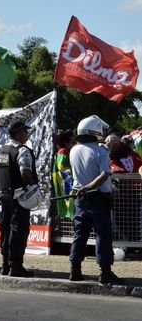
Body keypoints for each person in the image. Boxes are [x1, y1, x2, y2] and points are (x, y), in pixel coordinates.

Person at [68, 115, 124, 284]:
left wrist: (83, 188)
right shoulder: (101, 150)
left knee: (80, 234)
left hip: (80, 198)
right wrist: (89, 187)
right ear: (95, 130)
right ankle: (105, 272)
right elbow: (104, 175)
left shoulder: (74, 150)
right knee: (103, 234)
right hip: (97, 198)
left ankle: (75, 270)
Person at [0, 121, 37, 277]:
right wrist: (31, 186)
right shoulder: (22, 150)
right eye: (25, 131)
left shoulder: (4, 150)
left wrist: (2, 187)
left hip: (5, 195)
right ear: (18, 133)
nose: (27, 134)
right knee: (18, 230)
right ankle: (15, 265)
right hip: (19, 196)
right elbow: (25, 173)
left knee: (5, 228)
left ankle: (5, 264)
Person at [52, 130, 76, 219]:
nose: (75, 144)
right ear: (66, 143)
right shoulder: (63, 152)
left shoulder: (68, 151)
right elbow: (64, 171)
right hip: (66, 187)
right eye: (73, 142)